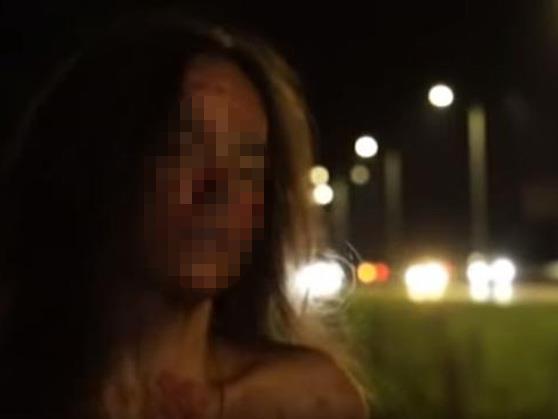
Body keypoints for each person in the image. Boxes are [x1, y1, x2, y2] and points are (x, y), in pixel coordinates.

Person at [0, 8, 368, 419]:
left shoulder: (303, 404)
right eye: (184, 149)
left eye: (249, 166)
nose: (221, 191)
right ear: (95, 163)